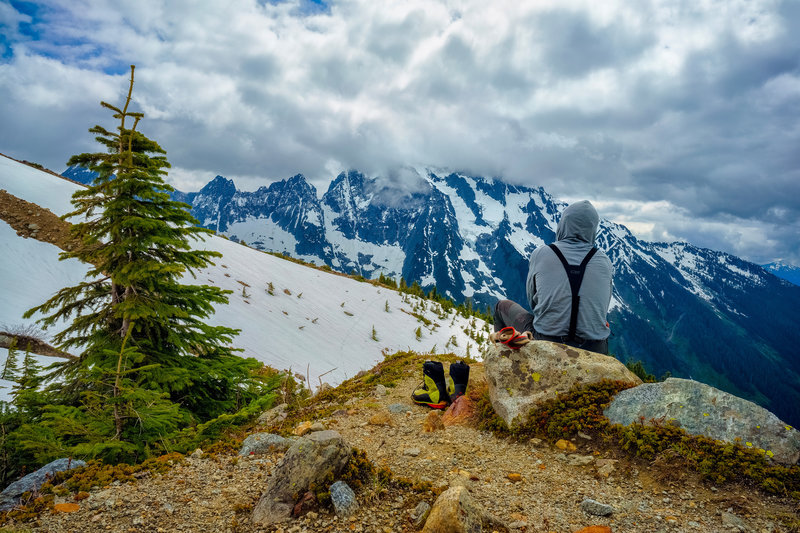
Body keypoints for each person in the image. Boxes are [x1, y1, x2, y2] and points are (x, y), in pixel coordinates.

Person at [493, 200, 613, 354]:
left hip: (547, 341)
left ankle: (501, 358)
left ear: (563, 224)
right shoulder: (605, 261)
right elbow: (603, 309)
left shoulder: (541, 254)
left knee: (501, 306)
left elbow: (533, 302)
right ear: (593, 229)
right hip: (595, 348)